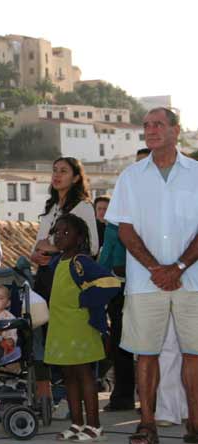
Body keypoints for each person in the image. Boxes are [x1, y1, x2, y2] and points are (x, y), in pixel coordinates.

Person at [105, 108, 198, 444]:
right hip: (145, 283)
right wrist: (157, 269)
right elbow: (125, 230)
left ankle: (195, 425)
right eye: (146, 125)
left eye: (158, 124)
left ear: (176, 130)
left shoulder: (197, 174)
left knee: (194, 352)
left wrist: (180, 267)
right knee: (145, 352)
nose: (150, 130)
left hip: (193, 281)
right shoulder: (131, 176)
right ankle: (147, 423)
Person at [43, 214, 120, 442]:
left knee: (84, 374)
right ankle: (77, 424)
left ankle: (94, 426)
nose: (59, 235)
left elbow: (111, 282)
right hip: (60, 327)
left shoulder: (81, 262)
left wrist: (84, 300)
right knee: (69, 376)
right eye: (57, 231)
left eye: (66, 232)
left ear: (79, 238)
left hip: (79, 327)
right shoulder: (58, 261)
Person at [97, 198, 135, 412]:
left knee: (122, 345)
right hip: (148, 285)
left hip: (119, 289)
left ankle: (123, 396)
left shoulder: (114, 224)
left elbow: (106, 259)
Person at [31, 157, 100, 271]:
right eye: (55, 170)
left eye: (63, 171)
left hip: (67, 272)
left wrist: (55, 248)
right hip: (45, 271)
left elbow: (93, 247)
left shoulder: (83, 207)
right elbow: (41, 239)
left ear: (75, 178)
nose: (57, 175)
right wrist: (34, 253)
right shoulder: (51, 205)